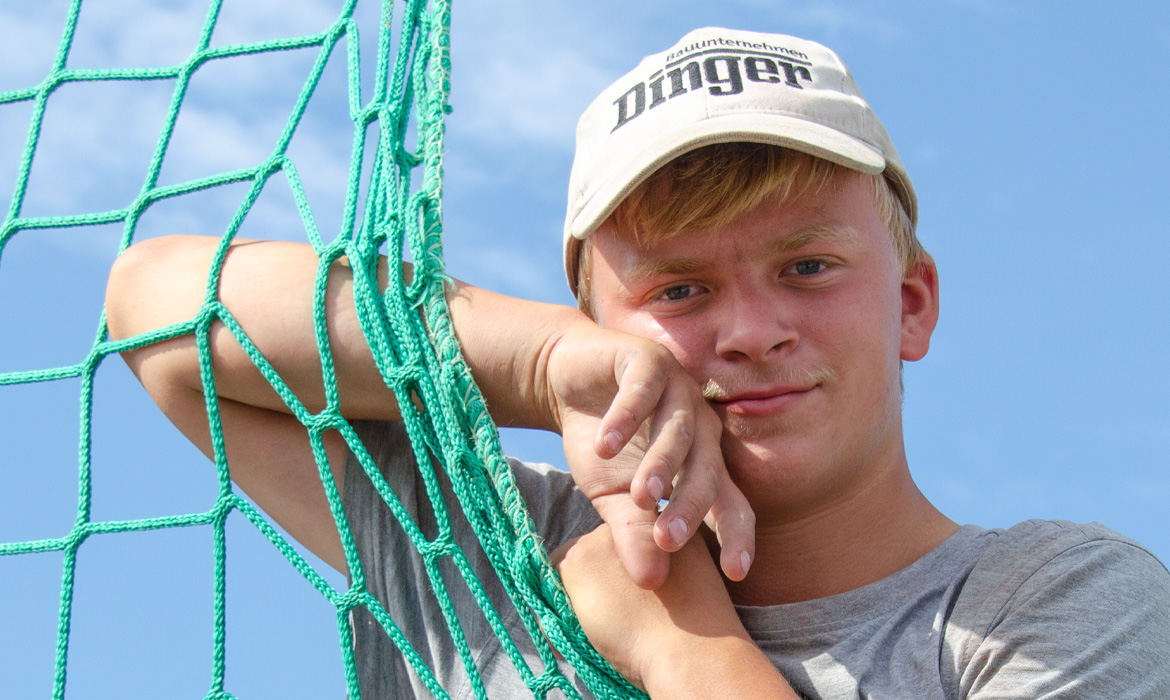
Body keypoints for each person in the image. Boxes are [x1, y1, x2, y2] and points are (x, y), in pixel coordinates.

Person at [105, 27, 1170, 700]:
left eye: (806, 266)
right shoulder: (498, 554)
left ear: (911, 302)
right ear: (602, 322)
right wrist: (543, 364)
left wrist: (683, 649)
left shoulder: (1050, 600)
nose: (750, 329)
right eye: (678, 290)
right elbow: (160, 310)